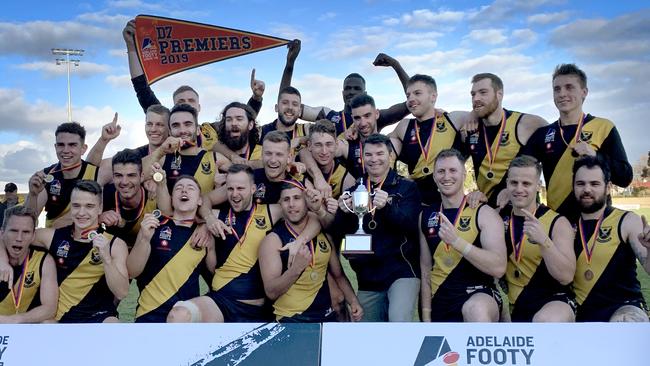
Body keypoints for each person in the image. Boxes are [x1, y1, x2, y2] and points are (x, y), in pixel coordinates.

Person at [167, 165, 319, 323]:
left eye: (240, 188)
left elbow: (313, 218)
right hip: (221, 303)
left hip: (259, 310)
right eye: (230, 189)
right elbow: (198, 204)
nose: (234, 194)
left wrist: (300, 241)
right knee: (179, 315)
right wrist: (208, 220)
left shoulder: (271, 212)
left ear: (253, 189)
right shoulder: (217, 216)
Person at [122, 19, 264, 151]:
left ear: (199, 106)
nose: (187, 104)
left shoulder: (212, 130)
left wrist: (256, 98)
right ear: (173, 108)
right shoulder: (166, 127)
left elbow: (241, 119)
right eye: (181, 101)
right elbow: (142, 89)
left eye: (191, 101)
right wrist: (131, 46)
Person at [522, 64, 632, 222]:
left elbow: (625, 177)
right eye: (557, 89)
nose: (562, 94)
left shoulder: (603, 127)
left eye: (569, 87)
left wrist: (595, 155)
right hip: (558, 222)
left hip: (597, 223)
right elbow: (521, 169)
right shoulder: (544, 134)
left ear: (584, 92)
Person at [333, 134, 421, 322]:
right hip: (369, 279)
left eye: (380, 153)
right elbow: (340, 236)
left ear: (390, 156)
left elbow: (411, 226)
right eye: (369, 155)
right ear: (363, 157)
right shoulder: (353, 191)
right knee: (365, 331)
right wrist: (342, 212)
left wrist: (388, 207)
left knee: (398, 318)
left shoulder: (406, 188)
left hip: (401, 272)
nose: (374, 159)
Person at [419, 149, 506, 322]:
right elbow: (425, 270)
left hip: (478, 294)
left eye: (453, 171)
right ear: (434, 176)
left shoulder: (483, 212)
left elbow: (499, 267)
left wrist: (457, 242)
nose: (446, 176)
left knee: (475, 309)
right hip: (441, 299)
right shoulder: (426, 215)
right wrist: (426, 314)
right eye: (441, 171)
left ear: (464, 174)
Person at [259, 181, 363, 322]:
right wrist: (295, 269)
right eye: (286, 199)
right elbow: (271, 292)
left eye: (297, 198)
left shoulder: (323, 233)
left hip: (326, 316)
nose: (291, 204)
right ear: (280, 204)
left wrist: (353, 301)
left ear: (306, 201)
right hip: (292, 318)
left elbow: (338, 275)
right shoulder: (273, 240)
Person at [31, 180, 130, 323]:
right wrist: (2, 259)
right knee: (45, 325)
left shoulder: (115, 244)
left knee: (114, 326)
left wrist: (106, 259)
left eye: (89, 206)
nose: (81, 213)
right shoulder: (52, 236)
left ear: (100, 208)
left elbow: (122, 293)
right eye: (76, 206)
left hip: (98, 316)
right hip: (59, 318)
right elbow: (13, 235)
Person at [571, 156, 650, 322]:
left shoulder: (627, 220)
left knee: (628, 324)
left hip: (623, 306)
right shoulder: (563, 224)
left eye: (594, 184)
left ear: (608, 188)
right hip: (579, 310)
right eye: (581, 184)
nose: (587, 189)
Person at [127, 175, 215, 322]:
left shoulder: (204, 235)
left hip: (184, 318)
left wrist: (208, 238)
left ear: (200, 200)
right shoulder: (154, 224)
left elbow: (215, 277)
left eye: (190, 188)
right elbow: (131, 271)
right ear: (172, 199)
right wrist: (144, 239)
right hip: (148, 314)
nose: (184, 191)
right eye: (179, 188)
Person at [499, 156, 576, 322]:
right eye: (514, 183)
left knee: (544, 321)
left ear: (538, 186)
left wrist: (544, 241)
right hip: (517, 305)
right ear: (507, 184)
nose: (519, 189)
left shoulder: (557, 222)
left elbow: (566, 276)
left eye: (526, 184)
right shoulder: (498, 218)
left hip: (553, 302)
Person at [464, 73, 547, 209]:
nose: (476, 98)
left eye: (483, 92)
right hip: (488, 209)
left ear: (499, 94)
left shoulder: (526, 123)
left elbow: (557, 136)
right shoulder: (470, 126)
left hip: (522, 210)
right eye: (473, 94)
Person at [390, 74, 470, 205]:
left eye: (417, 93)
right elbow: (379, 144)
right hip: (416, 203)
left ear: (433, 97)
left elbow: (484, 116)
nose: (411, 99)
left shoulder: (453, 119)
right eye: (408, 95)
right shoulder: (404, 126)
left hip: (449, 203)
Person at [26, 121, 112, 228]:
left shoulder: (97, 172)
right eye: (61, 145)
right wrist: (33, 195)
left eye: (72, 145)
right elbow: (28, 222)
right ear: (55, 147)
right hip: (55, 238)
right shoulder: (45, 176)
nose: (66, 150)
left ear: (83, 149)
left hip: (89, 237)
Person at [142, 103, 231, 194]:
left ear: (197, 130)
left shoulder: (214, 158)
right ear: (170, 131)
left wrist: (221, 187)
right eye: (176, 125)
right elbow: (137, 176)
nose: (182, 131)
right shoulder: (163, 157)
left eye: (187, 124)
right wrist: (161, 150)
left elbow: (243, 178)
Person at [0, 206, 58, 323]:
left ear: (33, 236)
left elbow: (50, 308)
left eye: (26, 232)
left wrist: (15, 320)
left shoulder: (43, 260)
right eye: (14, 231)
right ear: (2, 233)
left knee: (50, 324)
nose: (19, 238)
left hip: (26, 328)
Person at [99, 149, 158, 248]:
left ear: (142, 177)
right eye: (118, 175)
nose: (125, 182)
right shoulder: (104, 197)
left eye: (131, 175)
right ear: (113, 178)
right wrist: (98, 219)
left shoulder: (154, 195)